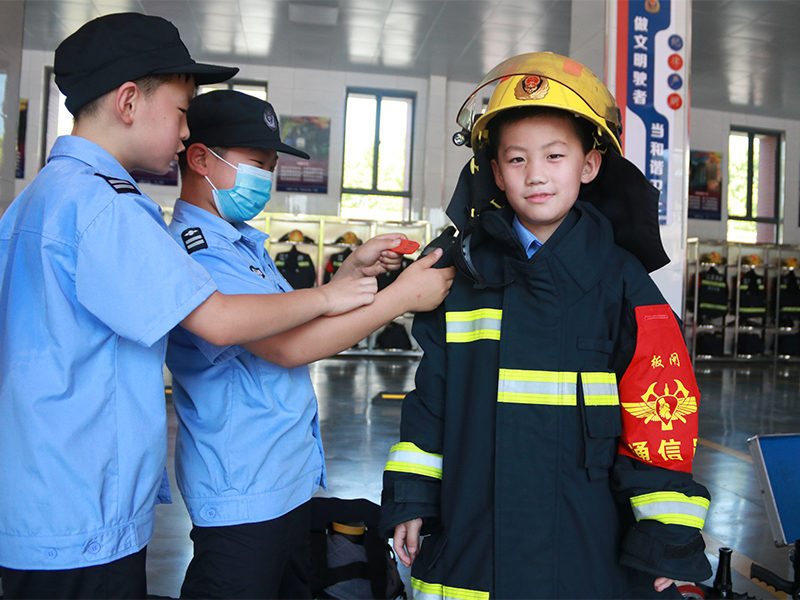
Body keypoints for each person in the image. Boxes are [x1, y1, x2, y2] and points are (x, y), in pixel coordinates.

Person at [0, 14, 380, 599]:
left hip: (44, 494)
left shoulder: (38, 201)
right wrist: (334, 293)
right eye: (180, 111)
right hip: (79, 510)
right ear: (129, 101)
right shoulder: (104, 206)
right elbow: (222, 320)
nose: (183, 132)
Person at [380, 52, 713, 599]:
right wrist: (413, 496)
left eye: (555, 155)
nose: (535, 174)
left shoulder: (623, 284)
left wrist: (669, 535)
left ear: (589, 166)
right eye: (516, 159)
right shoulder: (460, 276)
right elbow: (432, 400)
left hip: (587, 546)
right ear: (494, 171)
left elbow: (661, 415)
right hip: (475, 537)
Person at [165, 89, 454, 599]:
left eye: (270, 165)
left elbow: (301, 324)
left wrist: (351, 273)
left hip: (282, 479)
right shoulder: (201, 252)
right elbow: (286, 349)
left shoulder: (243, 243)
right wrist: (401, 298)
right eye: (257, 162)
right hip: (242, 487)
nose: (266, 177)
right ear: (200, 158)